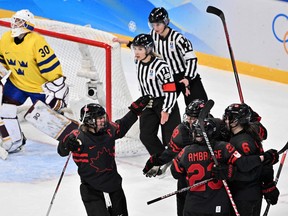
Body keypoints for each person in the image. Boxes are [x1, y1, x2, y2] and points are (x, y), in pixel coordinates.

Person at [57, 96, 150, 216]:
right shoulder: (78, 137)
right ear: (90, 120)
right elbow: (62, 151)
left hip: (113, 183)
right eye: (99, 118)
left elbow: (122, 126)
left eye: (103, 117)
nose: (103, 120)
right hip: (91, 188)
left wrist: (134, 111)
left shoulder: (109, 130)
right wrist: (66, 144)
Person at [170, 117, 279, 216]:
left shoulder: (185, 151)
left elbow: (176, 172)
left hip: (193, 206)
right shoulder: (224, 147)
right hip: (218, 206)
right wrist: (263, 157)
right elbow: (243, 163)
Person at [0, 9, 68, 158]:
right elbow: (2, 63)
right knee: (6, 110)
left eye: (19, 21)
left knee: (52, 117)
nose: (15, 24)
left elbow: (51, 67)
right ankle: (16, 141)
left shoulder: (37, 41)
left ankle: (69, 141)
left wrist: (57, 89)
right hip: (17, 83)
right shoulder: (5, 38)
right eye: (15, 20)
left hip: (39, 88)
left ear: (28, 24)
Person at [113, 7, 208, 106]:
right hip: (169, 77)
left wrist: (188, 78)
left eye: (158, 24)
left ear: (166, 22)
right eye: (153, 25)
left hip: (185, 76)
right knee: (163, 107)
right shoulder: (153, 35)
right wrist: (128, 43)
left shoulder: (178, 38)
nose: (155, 28)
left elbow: (191, 59)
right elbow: (144, 47)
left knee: (199, 106)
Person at [143, 98, 206, 216]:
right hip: (187, 179)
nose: (190, 121)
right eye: (188, 117)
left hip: (209, 181)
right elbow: (171, 152)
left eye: (194, 118)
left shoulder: (214, 128)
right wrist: (157, 161)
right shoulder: (182, 131)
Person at [221, 103, 280, 216]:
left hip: (243, 196)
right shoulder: (250, 133)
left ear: (237, 121)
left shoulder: (242, 142)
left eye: (229, 118)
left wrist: (228, 172)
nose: (226, 120)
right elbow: (264, 163)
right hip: (252, 193)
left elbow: (250, 171)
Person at [129, 33, 181, 155]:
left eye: (140, 49)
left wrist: (167, 110)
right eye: (135, 49)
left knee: (171, 139)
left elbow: (171, 90)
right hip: (147, 102)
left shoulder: (161, 66)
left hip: (165, 102)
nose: (136, 52)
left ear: (148, 49)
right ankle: (161, 157)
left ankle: (178, 162)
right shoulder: (138, 61)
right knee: (146, 136)